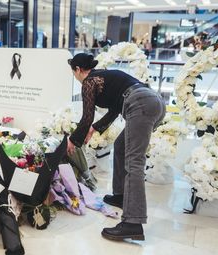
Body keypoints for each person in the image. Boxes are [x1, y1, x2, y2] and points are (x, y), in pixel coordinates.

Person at [67, 53, 165, 241]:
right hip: (154, 101)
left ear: (78, 70)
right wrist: (94, 129)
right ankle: (121, 196)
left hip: (140, 104)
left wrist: (73, 140)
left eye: (74, 72)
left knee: (134, 162)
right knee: (121, 146)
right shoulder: (104, 76)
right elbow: (114, 110)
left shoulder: (88, 82)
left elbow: (86, 117)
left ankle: (133, 223)